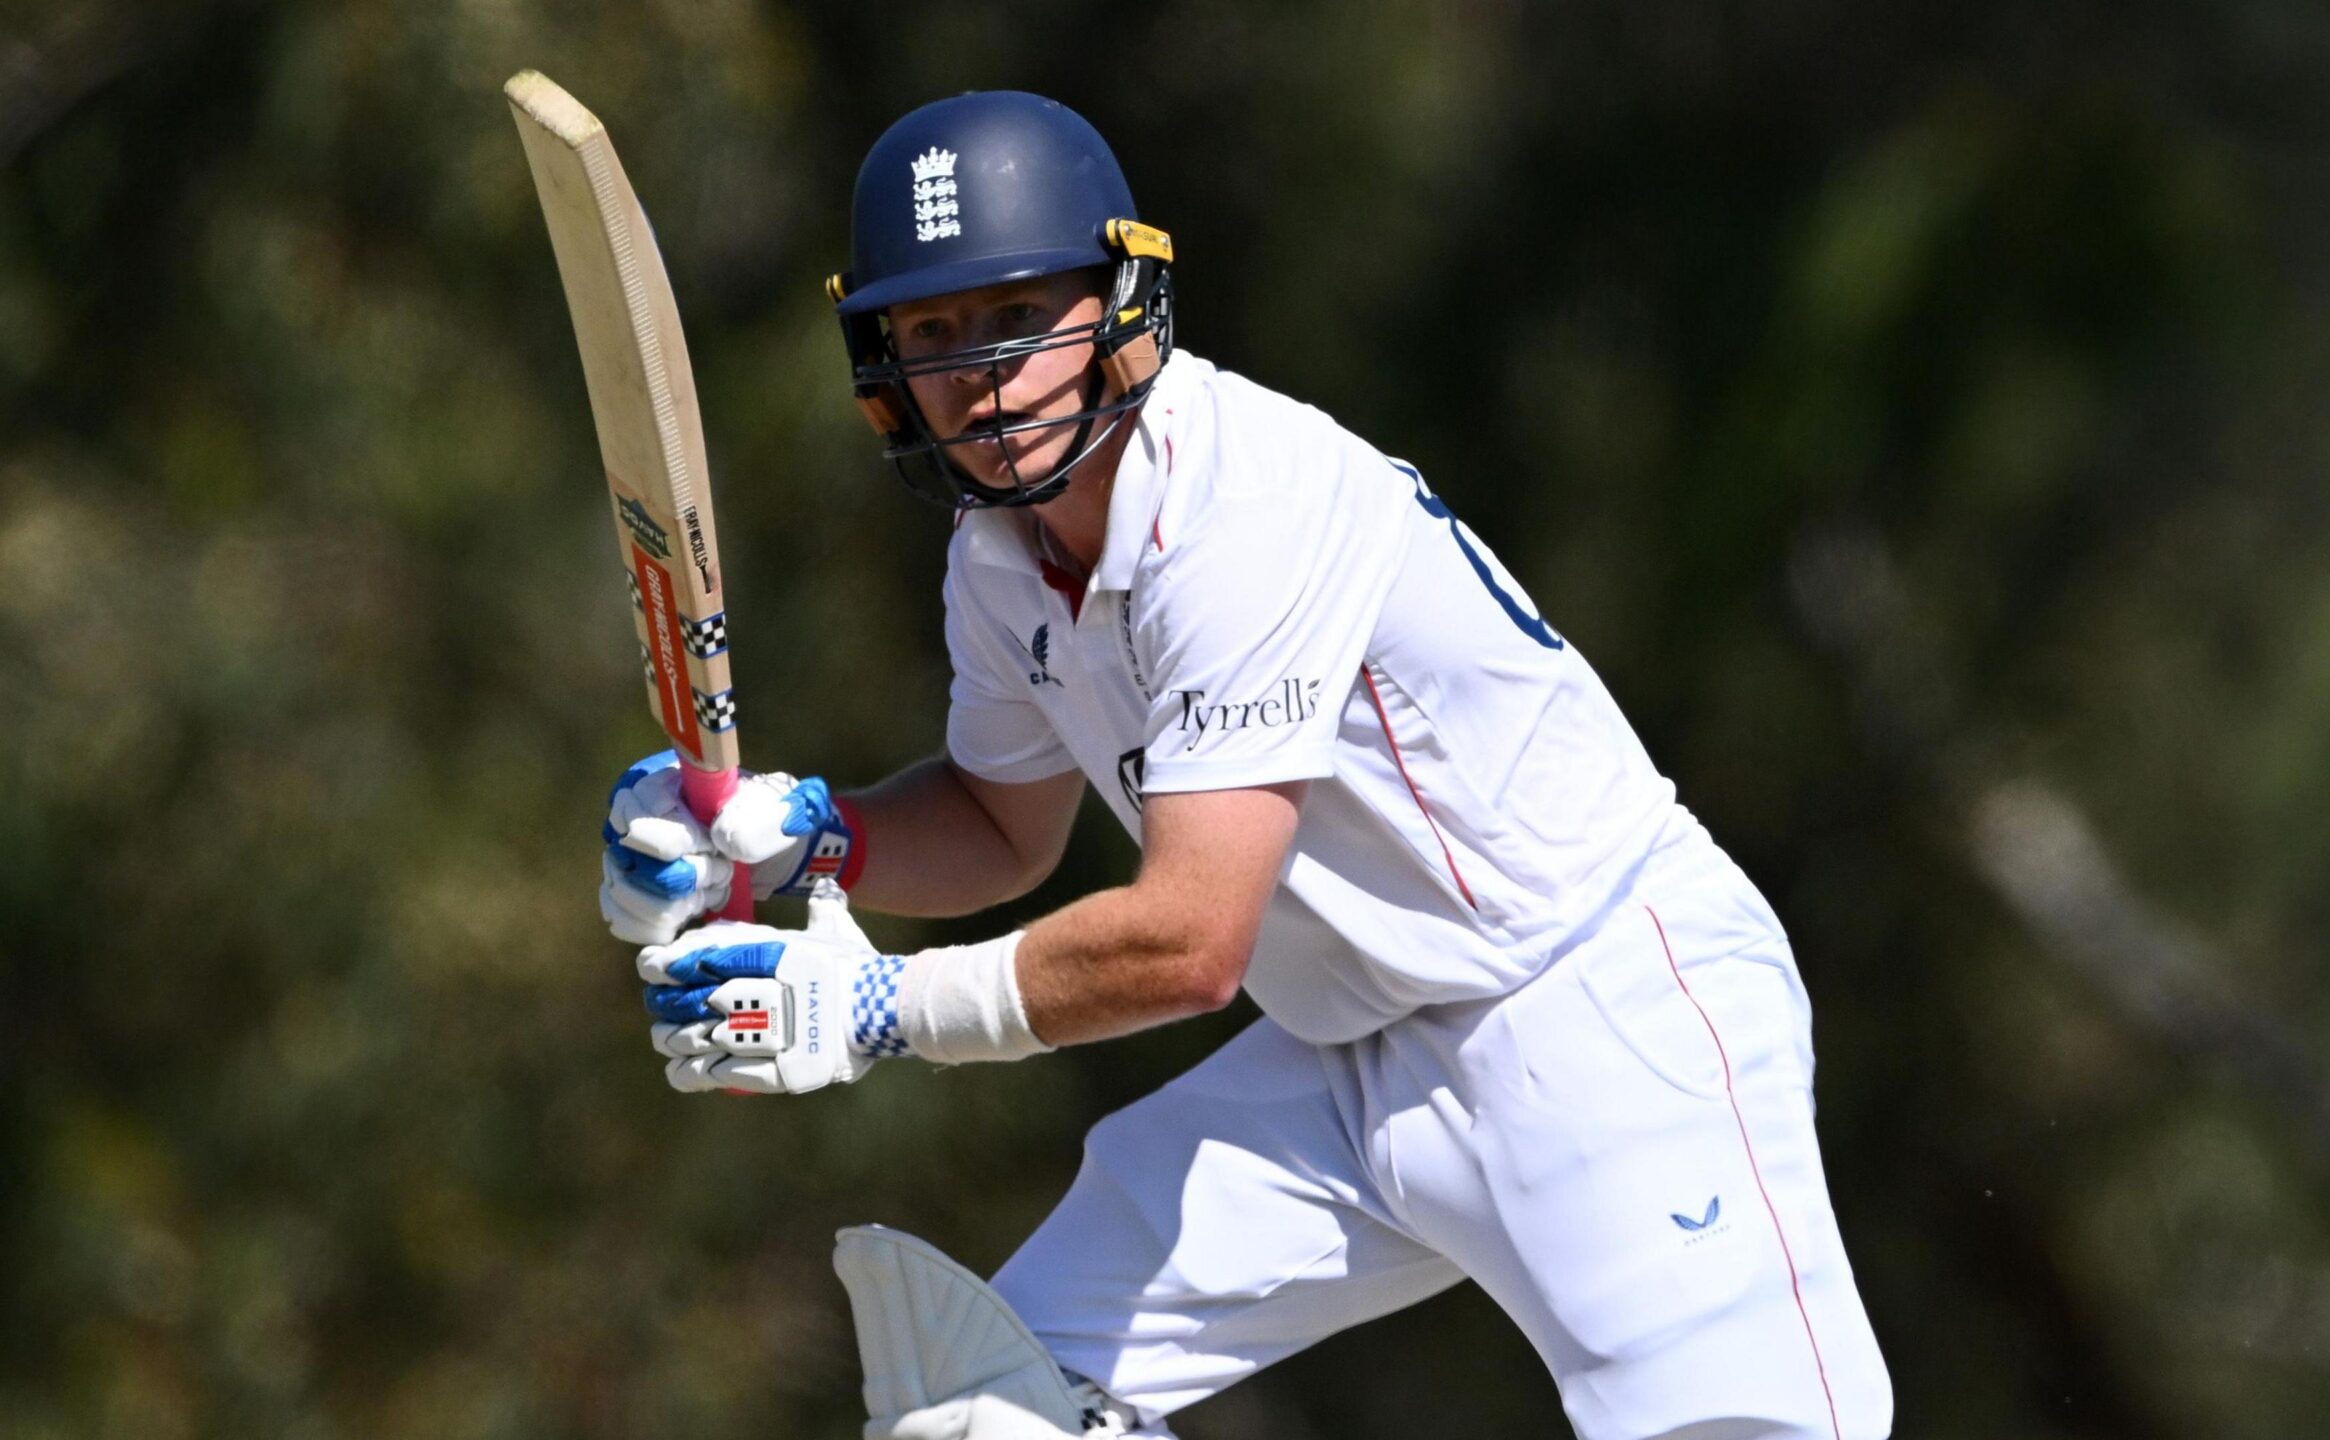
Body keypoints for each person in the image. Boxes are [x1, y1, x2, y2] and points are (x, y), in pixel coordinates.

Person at [600, 90, 1892, 1440]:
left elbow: (1192, 942)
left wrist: (877, 1008)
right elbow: (999, 827)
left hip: (1597, 1010)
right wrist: (807, 839)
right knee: (984, 1412)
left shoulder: (1243, 507)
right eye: (932, 330)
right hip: (1349, 1059)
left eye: (1015, 314)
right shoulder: (999, 562)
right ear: (884, 365)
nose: (979, 369)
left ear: (1120, 305)